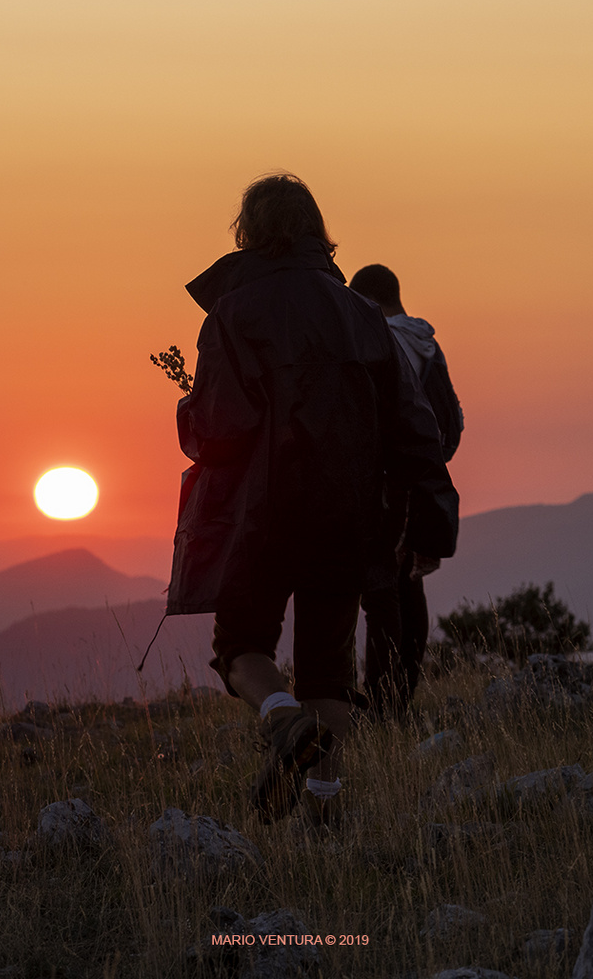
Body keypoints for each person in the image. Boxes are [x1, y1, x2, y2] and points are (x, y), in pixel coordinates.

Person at [166, 175, 458, 827]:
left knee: (240, 646)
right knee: (329, 670)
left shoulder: (233, 314)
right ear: (316, 230)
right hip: (349, 518)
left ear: (249, 230)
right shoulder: (360, 314)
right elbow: (413, 427)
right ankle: (325, 814)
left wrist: (186, 413)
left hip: (262, 517)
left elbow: (220, 429)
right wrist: (432, 524)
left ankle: (281, 720)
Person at [347, 264, 463, 717]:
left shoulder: (379, 343)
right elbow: (450, 421)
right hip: (424, 482)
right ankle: (400, 699)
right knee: (408, 587)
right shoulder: (427, 344)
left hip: (384, 486)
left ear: (366, 302)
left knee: (380, 592)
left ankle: (380, 706)